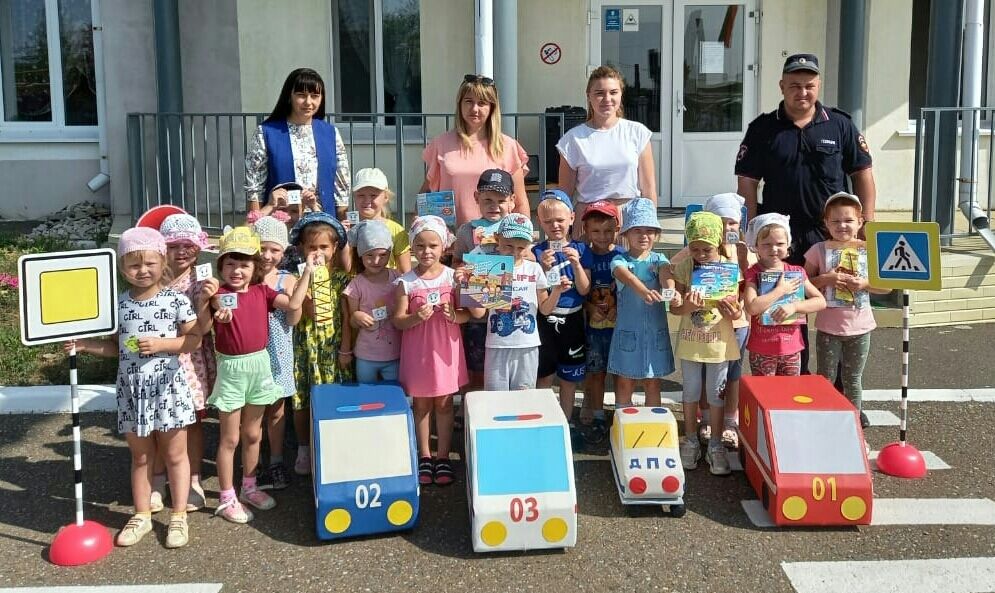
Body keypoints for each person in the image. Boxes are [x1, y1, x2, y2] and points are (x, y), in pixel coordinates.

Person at [735, 53, 875, 372]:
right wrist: (750, 235)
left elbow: (863, 175)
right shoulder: (762, 129)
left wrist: (867, 224)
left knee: (840, 308)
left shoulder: (840, 125)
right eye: (795, 85)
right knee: (787, 309)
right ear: (782, 86)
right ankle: (798, 380)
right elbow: (747, 184)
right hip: (779, 238)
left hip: (832, 234)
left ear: (818, 85)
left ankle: (840, 392)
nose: (802, 92)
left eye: (809, 85)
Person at [70, 227, 201, 548]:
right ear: (122, 268)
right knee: (140, 457)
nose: (142, 271)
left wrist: (161, 343)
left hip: (168, 390)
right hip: (132, 393)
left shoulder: (176, 300)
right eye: (133, 265)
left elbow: (194, 339)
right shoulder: (119, 304)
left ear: (162, 261)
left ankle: (179, 515)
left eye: (149, 263)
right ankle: (142, 514)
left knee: (175, 456)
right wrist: (86, 345)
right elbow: (117, 348)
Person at [199, 226, 313, 523]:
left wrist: (307, 274)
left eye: (244, 264)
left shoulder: (263, 291)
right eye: (230, 264)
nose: (237, 271)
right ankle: (226, 496)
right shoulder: (218, 294)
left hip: (260, 366)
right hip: (232, 369)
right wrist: (211, 310)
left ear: (255, 268)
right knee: (230, 438)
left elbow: (293, 305)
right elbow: (206, 325)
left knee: (253, 434)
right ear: (221, 266)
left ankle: (249, 486)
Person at [669, 193, 754, 449]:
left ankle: (721, 434)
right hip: (693, 340)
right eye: (695, 249)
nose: (701, 254)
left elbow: (742, 304)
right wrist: (681, 300)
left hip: (724, 338)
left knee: (723, 385)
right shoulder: (687, 262)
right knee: (693, 389)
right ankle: (695, 435)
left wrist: (734, 311)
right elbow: (674, 302)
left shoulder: (735, 261)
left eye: (707, 249)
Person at [804, 192, 891, 429]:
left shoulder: (868, 250)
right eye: (835, 221)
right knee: (825, 378)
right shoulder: (818, 250)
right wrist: (826, 279)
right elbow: (804, 282)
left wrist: (863, 284)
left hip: (861, 327)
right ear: (826, 223)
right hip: (828, 327)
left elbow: (886, 287)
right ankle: (823, 419)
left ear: (860, 221)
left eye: (849, 220)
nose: (842, 226)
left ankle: (852, 420)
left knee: (853, 378)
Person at [394, 215, 470, 486]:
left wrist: (453, 315)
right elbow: (398, 320)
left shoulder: (454, 277)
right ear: (412, 248)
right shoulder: (406, 281)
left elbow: (468, 315)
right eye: (420, 246)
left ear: (444, 247)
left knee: (445, 403)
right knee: (422, 404)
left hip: (446, 352)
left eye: (433, 246)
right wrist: (416, 318)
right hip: (419, 353)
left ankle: (443, 456)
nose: (427, 251)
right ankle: (424, 455)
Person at [150, 212, 216, 513]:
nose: (182, 252)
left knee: (190, 422)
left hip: (192, 361)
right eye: (174, 246)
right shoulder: (151, 279)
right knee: (160, 424)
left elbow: (203, 329)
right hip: (157, 361)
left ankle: (192, 477)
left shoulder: (201, 280)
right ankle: (158, 478)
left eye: (188, 245)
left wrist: (205, 302)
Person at [288, 212, 354, 476]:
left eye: (324, 247)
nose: (318, 253)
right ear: (302, 249)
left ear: (335, 248)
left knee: (336, 395)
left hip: (333, 348)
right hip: (306, 349)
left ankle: (336, 443)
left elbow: (347, 318)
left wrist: (346, 348)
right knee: (302, 400)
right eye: (312, 247)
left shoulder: (341, 280)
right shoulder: (295, 277)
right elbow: (305, 311)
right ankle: (304, 447)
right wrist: (307, 277)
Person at [557, 65, 657, 237]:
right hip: (588, 221)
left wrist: (649, 226)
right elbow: (564, 195)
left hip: (627, 220)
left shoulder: (638, 133)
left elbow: (648, 190)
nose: (607, 98)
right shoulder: (572, 139)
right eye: (599, 93)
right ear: (589, 96)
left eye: (613, 92)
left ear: (620, 95)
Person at [420, 74, 530, 226]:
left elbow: (520, 203)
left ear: (492, 107)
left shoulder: (508, 146)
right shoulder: (441, 144)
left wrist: (522, 238)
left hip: (496, 242)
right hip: (453, 240)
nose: (474, 109)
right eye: (469, 101)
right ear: (460, 104)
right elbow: (426, 195)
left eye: (482, 103)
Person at [245, 67, 351, 221]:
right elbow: (255, 186)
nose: (308, 102)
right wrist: (254, 224)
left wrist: (342, 223)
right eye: (301, 95)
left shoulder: (331, 133)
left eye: (314, 96)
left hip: (321, 222)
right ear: (289, 96)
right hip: (281, 221)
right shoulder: (266, 132)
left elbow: (341, 184)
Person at [481, 213, 569, 392]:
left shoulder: (534, 268)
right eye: (508, 246)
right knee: (495, 395)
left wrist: (557, 291)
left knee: (524, 394)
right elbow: (478, 312)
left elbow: (544, 309)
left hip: (527, 345)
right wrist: (466, 284)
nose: (514, 252)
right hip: (497, 345)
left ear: (528, 246)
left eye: (521, 248)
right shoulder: (489, 267)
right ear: (497, 239)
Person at [452, 169, 519, 388]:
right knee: (477, 368)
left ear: (512, 201)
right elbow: (457, 260)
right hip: (478, 315)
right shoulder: (466, 230)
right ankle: (474, 411)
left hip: (510, 312)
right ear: (476, 198)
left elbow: (526, 258)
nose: (494, 206)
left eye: (501, 200)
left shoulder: (518, 228)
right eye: (488, 199)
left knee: (507, 370)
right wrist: (461, 271)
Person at [607, 198, 677, 406]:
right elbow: (625, 276)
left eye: (649, 230)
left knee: (653, 382)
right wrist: (644, 290)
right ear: (626, 234)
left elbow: (666, 274)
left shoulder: (659, 259)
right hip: (629, 333)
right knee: (624, 382)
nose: (643, 235)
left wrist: (671, 290)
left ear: (656, 234)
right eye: (637, 230)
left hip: (655, 334)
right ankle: (622, 421)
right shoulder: (620, 260)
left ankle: (653, 422)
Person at [532, 190, 591, 434]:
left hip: (573, 317)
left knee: (569, 378)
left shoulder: (581, 248)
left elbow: (585, 289)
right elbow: (537, 289)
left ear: (571, 218)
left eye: (560, 220)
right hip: (545, 317)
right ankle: (544, 421)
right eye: (548, 221)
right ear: (540, 223)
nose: (555, 225)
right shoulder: (537, 252)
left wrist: (576, 263)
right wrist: (542, 268)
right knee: (544, 376)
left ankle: (566, 422)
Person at [742, 214, 826, 376]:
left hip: (792, 348)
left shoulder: (796, 272)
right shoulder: (753, 273)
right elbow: (751, 307)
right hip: (762, 348)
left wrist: (794, 306)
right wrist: (780, 290)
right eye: (766, 244)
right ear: (756, 246)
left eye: (779, 243)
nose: (774, 249)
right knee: (764, 395)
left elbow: (820, 301)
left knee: (789, 394)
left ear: (788, 244)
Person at [253, 214, 301, 491]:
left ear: (283, 252)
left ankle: (276, 460)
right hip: (249, 356)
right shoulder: (244, 278)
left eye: (275, 249)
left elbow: (293, 320)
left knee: (277, 411)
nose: (268, 255)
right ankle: (253, 463)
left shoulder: (287, 279)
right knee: (252, 414)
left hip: (279, 352)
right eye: (263, 247)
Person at [579, 200, 624, 443]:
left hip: (618, 325)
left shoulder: (622, 255)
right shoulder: (584, 255)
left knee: (619, 373)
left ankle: (619, 413)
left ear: (617, 228)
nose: (602, 236)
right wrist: (589, 307)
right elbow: (582, 291)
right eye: (596, 231)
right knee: (595, 373)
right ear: (585, 229)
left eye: (608, 230)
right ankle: (597, 415)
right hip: (593, 327)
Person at [344, 220, 402, 383]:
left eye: (383, 255)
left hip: (395, 354)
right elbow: (352, 320)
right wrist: (357, 317)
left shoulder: (398, 278)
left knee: (392, 396)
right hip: (366, 356)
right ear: (360, 255)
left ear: (389, 254)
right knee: (365, 395)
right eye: (370, 255)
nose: (376, 261)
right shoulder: (356, 285)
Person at [350, 167, 411, 273]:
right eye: (361, 195)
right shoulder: (349, 228)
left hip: (387, 287)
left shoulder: (397, 231)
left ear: (386, 197)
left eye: (373, 195)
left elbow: (405, 272)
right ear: (354, 197)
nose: (367, 200)